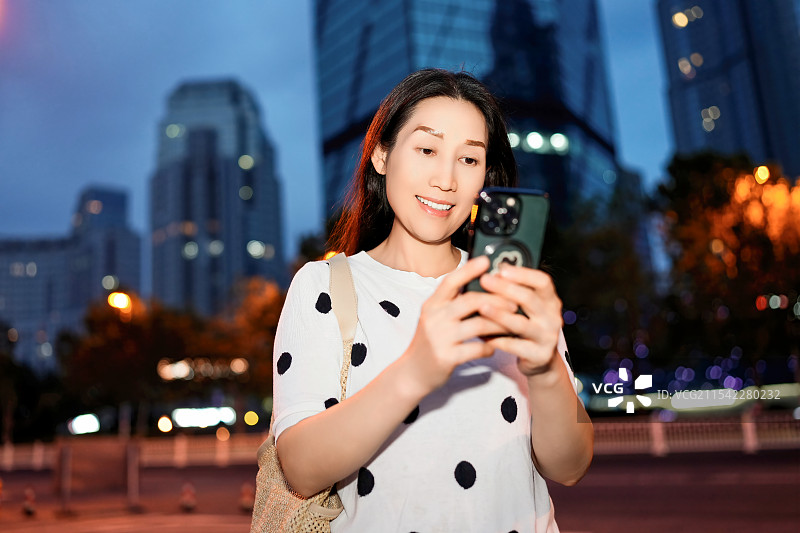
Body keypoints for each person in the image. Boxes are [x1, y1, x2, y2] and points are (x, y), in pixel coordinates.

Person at [273, 68, 593, 532]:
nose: (446, 179)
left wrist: (545, 371)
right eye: (426, 149)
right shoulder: (324, 286)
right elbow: (301, 469)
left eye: (468, 159)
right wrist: (418, 369)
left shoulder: (513, 288)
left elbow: (569, 466)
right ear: (382, 154)